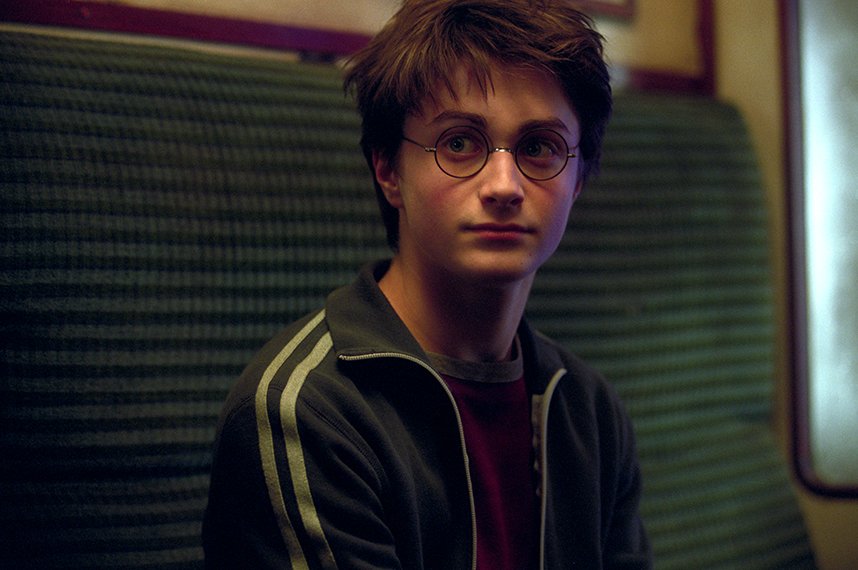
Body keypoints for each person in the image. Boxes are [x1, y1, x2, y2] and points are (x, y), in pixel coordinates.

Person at [202, 0, 651, 568]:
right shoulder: (306, 414)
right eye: (459, 142)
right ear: (388, 169)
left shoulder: (591, 413)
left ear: (578, 178)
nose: (504, 186)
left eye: (539, 147)